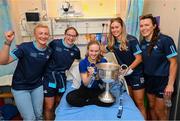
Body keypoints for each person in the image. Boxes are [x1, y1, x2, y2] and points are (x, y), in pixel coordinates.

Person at [0, 24, 52, 120]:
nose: (43, 36)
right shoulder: (25, 48)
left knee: (39, 116)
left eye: (46, 34)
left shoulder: (49, 51)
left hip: (37, 86)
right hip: (21, 88)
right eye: (40, 33)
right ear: (35, 35)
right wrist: (7, 43)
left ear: (49, 36)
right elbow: (3, 61)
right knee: (29, 118)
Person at [105, 17, 146, 119]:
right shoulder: (112, 43)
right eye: (112, 28)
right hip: (124, 77)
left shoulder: (132, 40)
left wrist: (129, 69)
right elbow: (106, 54)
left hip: (136, 75)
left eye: (117, 27)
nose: (114, 30)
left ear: (122, 27)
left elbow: (139, 58)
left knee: (139, 103)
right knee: (130, 103)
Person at [139, 14, 177, 120]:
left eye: (147, 25)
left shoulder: (165, 40)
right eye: (141, 26)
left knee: (160, 110)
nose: (144, 28)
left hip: (163, 80)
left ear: (154, 26)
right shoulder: (142, 43)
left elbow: (174, 63)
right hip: (149, 79)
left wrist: (170, 85)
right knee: (151, 107)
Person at [43, 26, 81, 120]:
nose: (71, 38)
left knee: (59, 104)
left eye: (73, 36)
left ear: (76, 37)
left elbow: (78, 65)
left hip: (62, 78)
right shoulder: (55, 44)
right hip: (50, 76)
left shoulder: (76, 50)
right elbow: (44, 55)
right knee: (49, 106)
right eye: (69, 35)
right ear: (65, 34)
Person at [66, 40, 114, 107]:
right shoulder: (83, 63)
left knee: (111, 101)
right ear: (88, 50)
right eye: (91, 51)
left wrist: (115, 73)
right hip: (85, 89)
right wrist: (90, 75)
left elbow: (105, 78)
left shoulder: (103, 61)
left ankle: (88, 101)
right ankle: (93, 101)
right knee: (69, 98)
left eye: (96, 51)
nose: (94, 53)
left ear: (99, 51)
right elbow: (85, 83)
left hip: (98, 89)